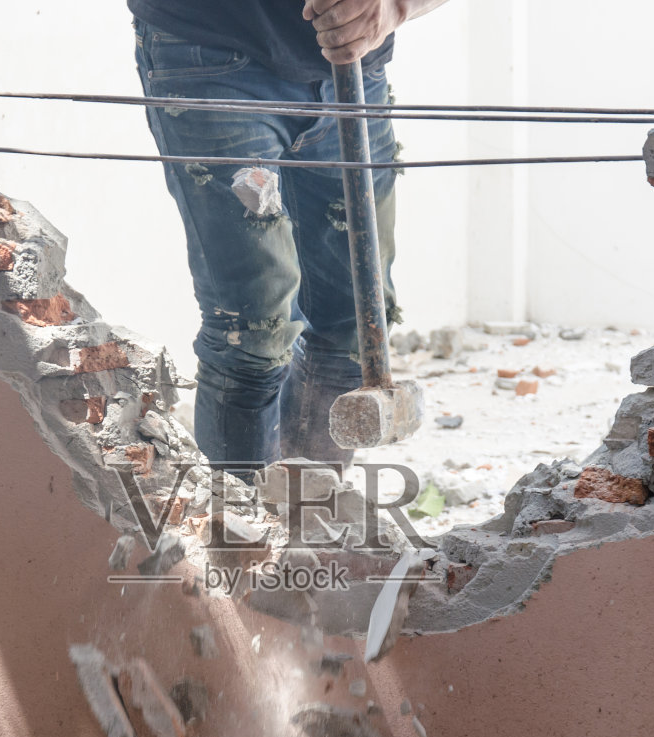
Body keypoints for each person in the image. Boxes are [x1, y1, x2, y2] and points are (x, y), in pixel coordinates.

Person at [128, 0, 451, 476]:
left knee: (354, 325)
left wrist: (395, 7)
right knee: (255, 333)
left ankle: (305, 522)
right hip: (214, 56)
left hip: (357, 67)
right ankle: (240, 537)